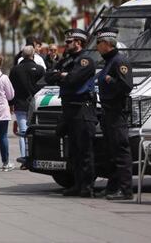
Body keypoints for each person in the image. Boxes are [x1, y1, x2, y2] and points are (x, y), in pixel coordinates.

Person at [45, 29, 97, 198]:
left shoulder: (85, 60)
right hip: (69, 109)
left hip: (82, 108)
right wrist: (62, 74)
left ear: (78, 43)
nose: (65, 45)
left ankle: (87, 187)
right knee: (73, 150)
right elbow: (48, 76)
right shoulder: (67, 60)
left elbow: (73, 80)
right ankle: (77, 184)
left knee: (85, 151)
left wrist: (62, 76)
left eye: (69, 42)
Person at [96, 27, 134, 200]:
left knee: (121, 151)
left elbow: (126, 86)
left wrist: (111, 81)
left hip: (117, 112)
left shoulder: (119, 61)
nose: (97, 47)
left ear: (106, 44)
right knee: (111, 153)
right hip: (108, 112)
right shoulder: (109, 61)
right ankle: (112, 187)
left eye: (99, 43)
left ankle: (126, 190)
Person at [9, 46, 45, 169]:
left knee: (23, 132)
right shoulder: (40, 69)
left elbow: (11, 88)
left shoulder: (15, 70)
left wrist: (11, 104)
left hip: (20, 104)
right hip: (36, 104)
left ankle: (25, 159)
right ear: (33, 54)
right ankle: (35, 156)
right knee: (35, 131)